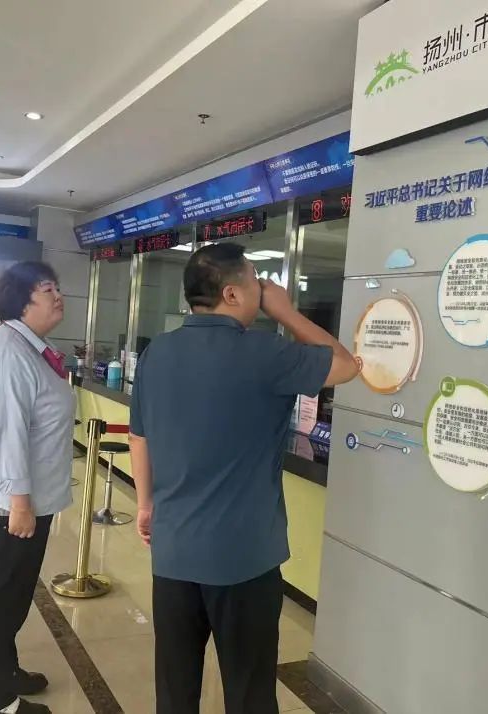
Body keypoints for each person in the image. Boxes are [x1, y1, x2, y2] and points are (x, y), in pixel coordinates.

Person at [128, 242, 361, 713]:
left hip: (173, 551)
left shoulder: (158, 352)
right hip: (244, 559)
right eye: (256, 280)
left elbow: (139, 436)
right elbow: (347, 366)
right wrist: (285, 312)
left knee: (175, 688)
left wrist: (146, 505)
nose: (264, 287)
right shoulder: (265, 353)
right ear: (231, 294)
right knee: (249, 690)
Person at [0, 262, 75, 714]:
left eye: (56, 287)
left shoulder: (29, 348)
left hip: (27, 500)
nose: (58, 296)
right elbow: (8, 433)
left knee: (13, 599)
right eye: (48, 289)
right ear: (22, 301)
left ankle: (5, 672)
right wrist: (20, 503)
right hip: (9, 506)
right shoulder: (9, 352)